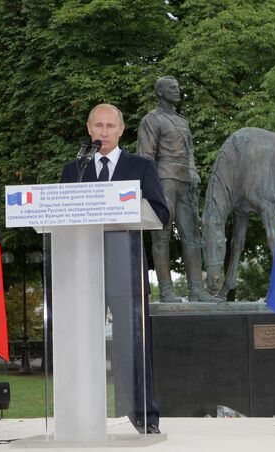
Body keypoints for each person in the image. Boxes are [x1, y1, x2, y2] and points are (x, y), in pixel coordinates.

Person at [61, 103, 169, 434]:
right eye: (98, 126)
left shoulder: (141, 167)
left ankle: (144, 416)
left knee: (132, 345)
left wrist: (125, 213)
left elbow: (161, 214)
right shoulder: (74, 170)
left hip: (127, 268)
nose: (104, 132)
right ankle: (79, 415)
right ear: (88, 129)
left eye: (110, 126)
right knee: (79, 345)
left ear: (122, 130)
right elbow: (62, 216)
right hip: (82, 270)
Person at [137, 76, 215, 303]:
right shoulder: (151, 120)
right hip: (164, 180)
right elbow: (145, 156)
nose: (177, 91)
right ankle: (166, 290)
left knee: (192, 236)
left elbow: (190, 151)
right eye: (172, 88)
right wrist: (150, 188)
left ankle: (196, 289)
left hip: (186, 181)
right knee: (161, 236)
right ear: (160, 92)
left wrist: (193, 170)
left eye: (178, 87)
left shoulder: (182, 121)